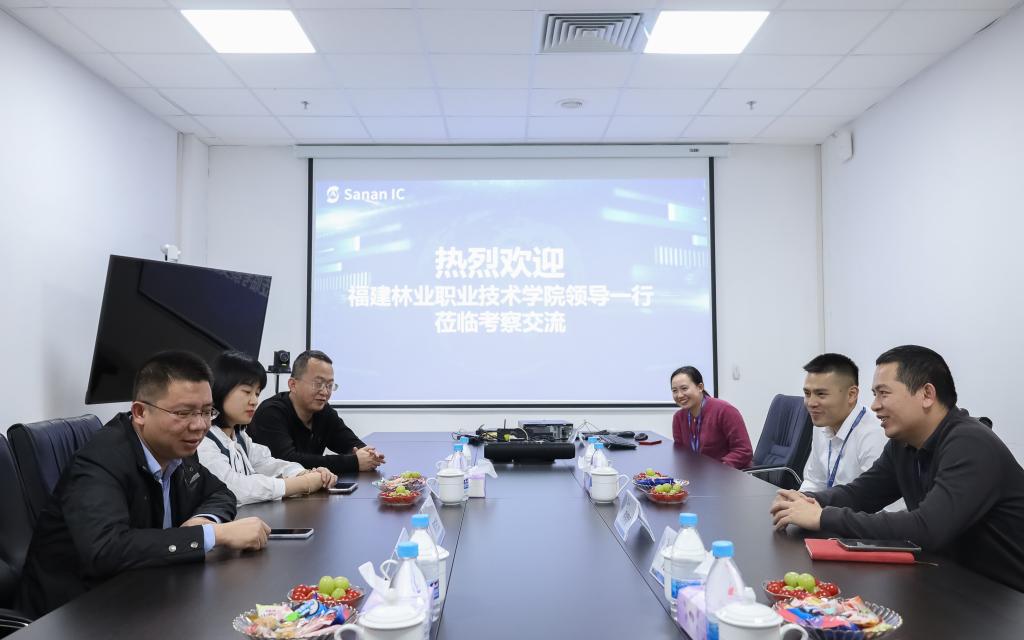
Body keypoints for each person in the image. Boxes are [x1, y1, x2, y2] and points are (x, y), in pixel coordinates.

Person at [18, 351, 272, 617]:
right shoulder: (101, 459)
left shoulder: (178, 447)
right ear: (140, 412)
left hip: (146, 593)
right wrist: (212, 535)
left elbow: (220, 493)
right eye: (183, 413)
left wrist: (203, 520)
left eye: (207, 412)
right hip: (74, 613)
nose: (199, 425)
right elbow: (106, 549)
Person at [771, 345, 1024, 592]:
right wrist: (807, 501)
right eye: (875, 394)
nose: (874, 405)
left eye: (883, 393)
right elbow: (861, 494)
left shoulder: (970, 444)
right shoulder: (904, 444)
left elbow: (927, 528)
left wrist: (823, 516)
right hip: (952, 581)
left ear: (927, 394)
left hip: (1006, 597)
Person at [199, 351, 338, 506]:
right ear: (221, 389)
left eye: (257, 393)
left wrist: (304, 473)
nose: (254, 401)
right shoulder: (203, 440)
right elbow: (235, 488)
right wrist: (304, 483)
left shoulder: (239, 437)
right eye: (247, 392)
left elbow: (269, 463)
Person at [247, 350, 385, 475]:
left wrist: (367, 454)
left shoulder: (324, 411)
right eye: (318, 384)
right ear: (293, 385)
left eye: (329, 385)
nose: (325, 392)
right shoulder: (271, 412)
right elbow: (288, 461)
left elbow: (349, 442)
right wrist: (354, 462)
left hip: (308, 488)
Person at [799, 353, 888, 493]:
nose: (811, 403)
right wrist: (797, 501)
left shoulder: (875, 434)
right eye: (807, 393)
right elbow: (814, 481)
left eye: (821, 394)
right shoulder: (822, 424)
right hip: (830, 505)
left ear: (851, 395)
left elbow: (876, 499)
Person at [670, 365, 752, 469]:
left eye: (684, 388)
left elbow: (744, 451)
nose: (679, 395)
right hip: (696, 475)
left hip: (728, 474)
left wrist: (718, 470)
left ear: (700, 387)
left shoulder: (725, 411)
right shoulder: (678, 418)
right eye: (675, 390)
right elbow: (681, 453)